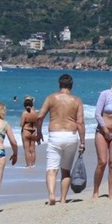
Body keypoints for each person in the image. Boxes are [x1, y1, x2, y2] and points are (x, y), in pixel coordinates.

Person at [35, 74, 85, 205]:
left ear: (59, 84)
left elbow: (39, 117)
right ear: (71, 85)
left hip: (55, 135)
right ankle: (63, 199)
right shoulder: (77, 100)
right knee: (66, 170)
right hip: (71, 136)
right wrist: (83, 141)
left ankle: (52, 195)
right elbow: (80, 122)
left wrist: (39, 132)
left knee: (51, 169)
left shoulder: (51, 98)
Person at [19, 96, 41, 167]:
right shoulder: (36, 113)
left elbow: (21, 124)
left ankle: (28, 165)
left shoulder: (24, 113)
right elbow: (38, 123)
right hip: (34, 131)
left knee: (27, 150)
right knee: (33, 150)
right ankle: (33, 164)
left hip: (26, 131)